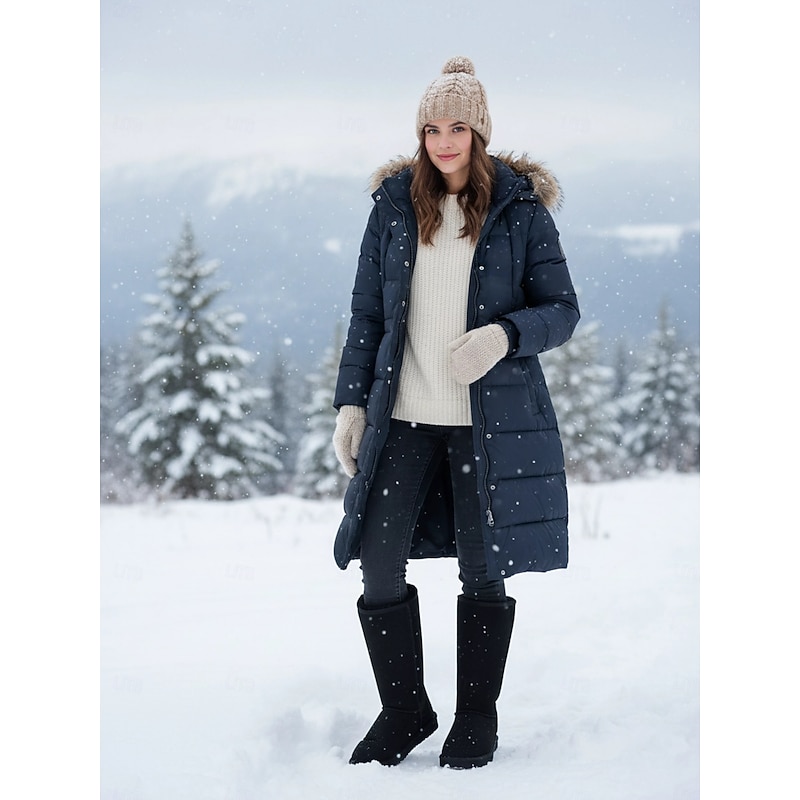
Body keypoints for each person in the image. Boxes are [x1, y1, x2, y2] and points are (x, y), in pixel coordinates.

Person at [332, 56, 580, 769]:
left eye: (458, 128)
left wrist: (502, 336)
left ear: (480, 132)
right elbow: (368, 316)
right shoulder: (392, 208)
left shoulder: (520, 212)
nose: (444, 142)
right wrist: (351, 405)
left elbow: (562, 310)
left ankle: (476, 716)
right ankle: (405, 710)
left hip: (488, 425)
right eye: (432, 128)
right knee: (378, 561)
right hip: (405, 419)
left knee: (483, 567)